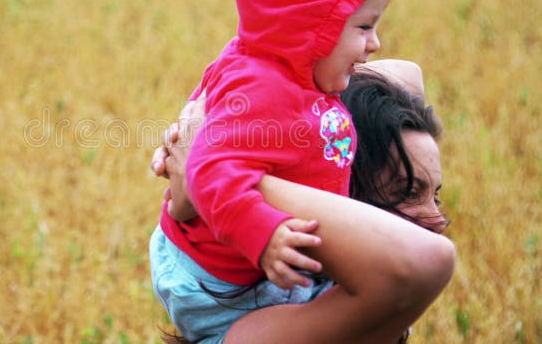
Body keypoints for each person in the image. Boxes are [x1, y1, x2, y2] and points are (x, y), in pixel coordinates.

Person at [152, 62, 452, 343]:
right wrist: (212, 174)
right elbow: (431, 259)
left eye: (435, 196)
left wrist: (212, 172)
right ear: (342, 194)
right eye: (409, 193)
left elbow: (408, 73)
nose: (438, 221)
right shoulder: (255, 327)